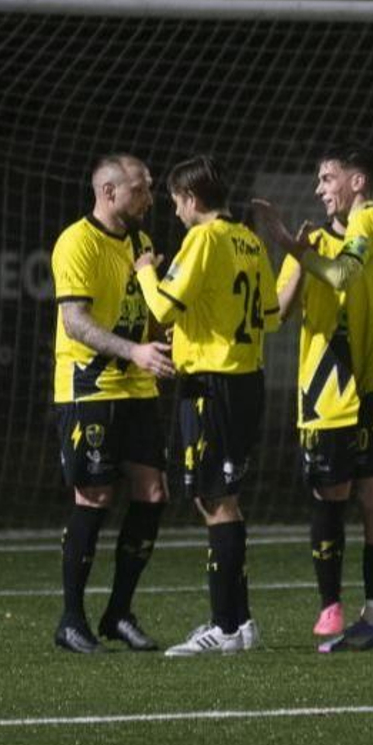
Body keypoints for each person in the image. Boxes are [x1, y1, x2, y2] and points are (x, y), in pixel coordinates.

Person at [261, 144, 373, 653]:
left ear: (357, 182)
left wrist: (288, 246)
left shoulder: (370, 224)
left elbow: (342, 275)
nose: (319, 190)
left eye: (326, 178)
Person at [134, 155, 279, 657]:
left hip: (212, 385)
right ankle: (240, 622)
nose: (174, 212)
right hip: (246, 379)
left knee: (214, 500)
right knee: (222, 498)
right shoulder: (248, 240)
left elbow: (162, 307)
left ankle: (225, 625)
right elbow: (271, 317)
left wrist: (146, 272)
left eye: (175, 202)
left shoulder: (204, 238)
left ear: (192, 199)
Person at [49, 154, 175, 654]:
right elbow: (74, 322)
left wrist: (165, 337)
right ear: (108, 192)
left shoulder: (141, 244)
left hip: (137, 388)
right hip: (90, 388)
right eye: (141, 188)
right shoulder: (76, 242)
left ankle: (118, 611)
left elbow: (147, 314)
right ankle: (71, 618)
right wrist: (135, 351)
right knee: (94, 497)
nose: (149, 196)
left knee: (153, 493)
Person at [273, 202, 359, 639]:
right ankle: (332, 606)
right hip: (327, 396)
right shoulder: (313, 244)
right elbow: (278, 311)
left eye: (328, 179)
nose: (321, 190)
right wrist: (302, 259)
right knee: (331, 500)